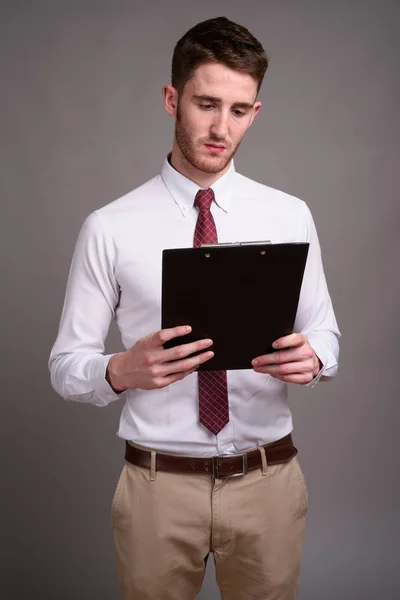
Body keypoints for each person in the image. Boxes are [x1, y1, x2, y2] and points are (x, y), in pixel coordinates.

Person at [49, 16, 340, 600]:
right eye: (206, 104)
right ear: (171, 99)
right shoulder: (110, 226)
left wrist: (313, 358)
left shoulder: (290, 215)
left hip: (268, 483)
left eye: (239, 110)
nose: (220, 128)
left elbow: (326, 333)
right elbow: (64, 364)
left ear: (255, 112)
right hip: (158, 487)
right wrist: (117, 371)